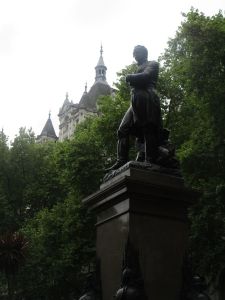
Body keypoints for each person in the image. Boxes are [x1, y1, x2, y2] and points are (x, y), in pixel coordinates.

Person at [107, 45, 163, 171]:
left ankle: (150, 160)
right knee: (122, 130)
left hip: (147, 97)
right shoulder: (138, 67)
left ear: (144, 53)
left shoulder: (152, 64)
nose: (134, 55)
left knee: (148, 127)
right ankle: (121, 160)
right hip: (136, 100)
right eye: (134, 53)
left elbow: (146, 76)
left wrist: (130, 77)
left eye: (136, 53)